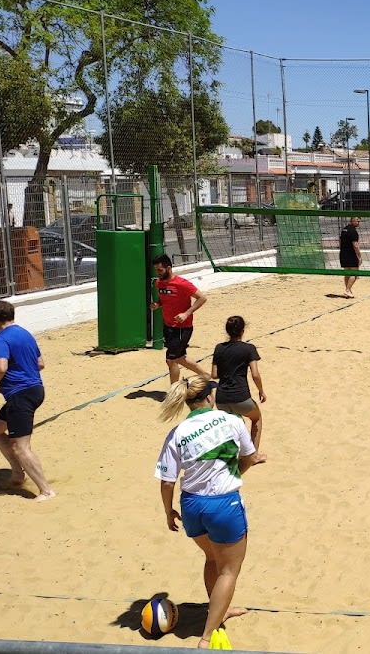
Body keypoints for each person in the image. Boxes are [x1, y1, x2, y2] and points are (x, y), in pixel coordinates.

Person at [155, 377, 265, 648]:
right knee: (229, 570)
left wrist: (168, 511)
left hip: (191, 505)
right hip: (223, 504)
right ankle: (206, 637)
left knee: (212, 558)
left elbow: (167, 481)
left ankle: (220, 609)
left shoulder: (177, 432)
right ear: (208, 397)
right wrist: (237, 473)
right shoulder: (232, 421)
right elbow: (249, 457)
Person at [0, 300, 55, 501]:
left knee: (21, 447)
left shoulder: (0, 338)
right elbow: (40, 363)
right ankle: (17, 474)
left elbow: (0, 367)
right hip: (35, 390)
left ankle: (46, 491)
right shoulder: (25, 334)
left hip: (20, 395)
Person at [149, 254, 209, 384]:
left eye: (160, 270)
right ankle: (205, 376)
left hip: (182, 328)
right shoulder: (159, 283)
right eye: (156, 270)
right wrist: (157, 304)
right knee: (180, 358)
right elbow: (163, 300)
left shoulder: (182, 284)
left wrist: (186, 313)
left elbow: (202, 298)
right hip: (168, 326)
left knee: (171, 359)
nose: (158, 273)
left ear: (168, 268)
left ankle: (174, 389)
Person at [211, 316, 266, 449]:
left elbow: (214, 375)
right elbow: (255, 374)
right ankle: (253, 454)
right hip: (241, 396)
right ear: (242, 330)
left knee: (233, 424)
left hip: (221, 398)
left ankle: (236, 452)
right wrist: (261, 391)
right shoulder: (249, 348)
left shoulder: (219, 348)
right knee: (257, 418)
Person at [339, 216, 362, 298]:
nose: (358, 223)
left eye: (359, 221)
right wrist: (359, 256)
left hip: (343, 254)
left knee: (347, 273)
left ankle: (348, 290)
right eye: (357, 221)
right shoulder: (353, 231)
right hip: (351, 254)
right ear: (352, 221)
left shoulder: (344, 229)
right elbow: (355, 245)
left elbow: (340, 241)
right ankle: (347, 290)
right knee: (354, 273)